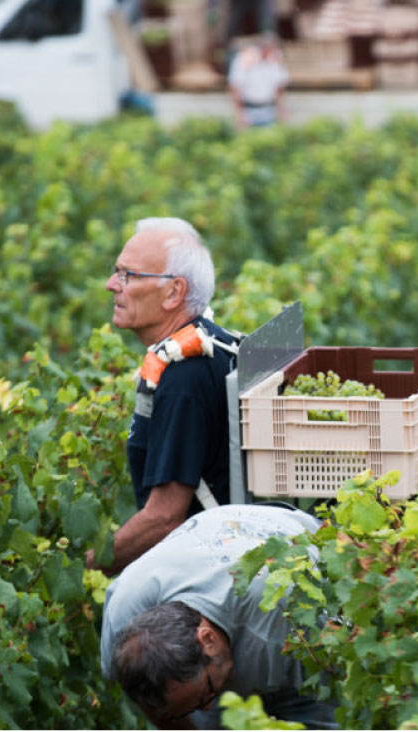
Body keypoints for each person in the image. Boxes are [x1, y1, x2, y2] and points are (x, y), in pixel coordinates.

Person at [101, 503, 337, 729]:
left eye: (208, 694)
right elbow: (156, 704)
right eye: (191, 706)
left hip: (296, 628)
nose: (208, 707)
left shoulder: (280, 614)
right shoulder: (123, 621)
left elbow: (331, 680)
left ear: (208, 640)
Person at [94, 218, 240, 574]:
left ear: (174, 292)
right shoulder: (215, 341)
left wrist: (88, 564)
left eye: (128, 275)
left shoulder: (181, 379)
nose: (112, 285)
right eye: (116, 272)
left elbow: (163, 518)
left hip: (205, 569)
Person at [227, 36, 289, 130]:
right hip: (248, 109)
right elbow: (235, 87)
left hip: (269, 109)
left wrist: (281, 109)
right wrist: (238, 113)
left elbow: (280, 86)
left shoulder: (275, 59)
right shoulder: (245, 58)